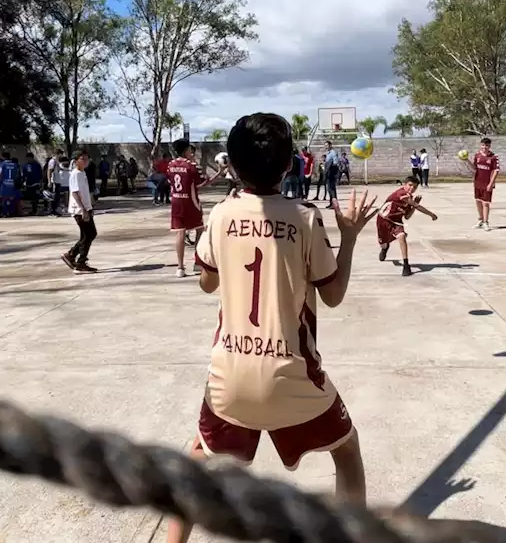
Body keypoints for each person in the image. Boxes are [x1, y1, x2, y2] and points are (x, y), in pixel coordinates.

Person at [164, 113, 378, 543]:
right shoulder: (305, 217)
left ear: (233, 165)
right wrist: (350, 237)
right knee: (347, 453)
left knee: (196, 460)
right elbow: (332, 295)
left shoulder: (221, 215)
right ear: (289, 166)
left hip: (231, 380)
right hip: (292, 379)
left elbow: (207, 283)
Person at [168, 139, 215, 278]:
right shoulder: (192, 166)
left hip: (176, 202)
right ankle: (197, 262)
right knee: (199, 229)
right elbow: (201, 183)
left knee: (180, 233)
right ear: (186, 150)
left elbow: (170, 181)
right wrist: (218, 174)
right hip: (191, 203)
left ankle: (180, 267)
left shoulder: (171, 165)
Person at [375, 176, 438, 277]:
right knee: (383, 242)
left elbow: (407, 216)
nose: (412, 188)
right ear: (405, 184)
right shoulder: (401, 193)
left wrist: (413, 206)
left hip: (396, 222)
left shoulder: (410, 199)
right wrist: (431, 214)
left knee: (402, 237)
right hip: (383, 220)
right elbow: (417, 206)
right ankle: (385, 248)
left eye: (415, 187)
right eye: (410, 185)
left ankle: (406, 264)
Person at [61, 150, 97, 273]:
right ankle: (79, 260)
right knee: (90, 234)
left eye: (87, 158)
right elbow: (75, 193)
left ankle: (72, 256)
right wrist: (83, 209)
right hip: (79, 210)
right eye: (82, 159)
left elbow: (85, 192)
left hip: (86, 208)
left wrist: (90, 206)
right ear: (76, 161)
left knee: (86, 235)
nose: (85, 161)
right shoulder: (76, 174)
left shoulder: (83, 173)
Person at [464, 137, 499, 230]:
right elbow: (475, 168)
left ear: (490, 146)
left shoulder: (493, 157)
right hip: (477, 182)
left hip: (487, 183)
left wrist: (491, 183)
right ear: (481, 145)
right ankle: (481, 219)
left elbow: (496, 171)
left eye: (487, 145)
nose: (485, 147)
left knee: (486, 203)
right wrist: (467, 160)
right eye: (483, 145)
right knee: (478, 201)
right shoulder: (477, 155)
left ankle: (486, 222)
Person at [0, 151, 22, 217]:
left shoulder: (2, 164)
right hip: (12, 183)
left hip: (4, 184)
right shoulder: (14, 164)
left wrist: (0, 181)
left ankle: (5, 212)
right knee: (12, 198)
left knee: (4, 199)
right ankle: (12, 212)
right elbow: (17, 175)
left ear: (3, 157)